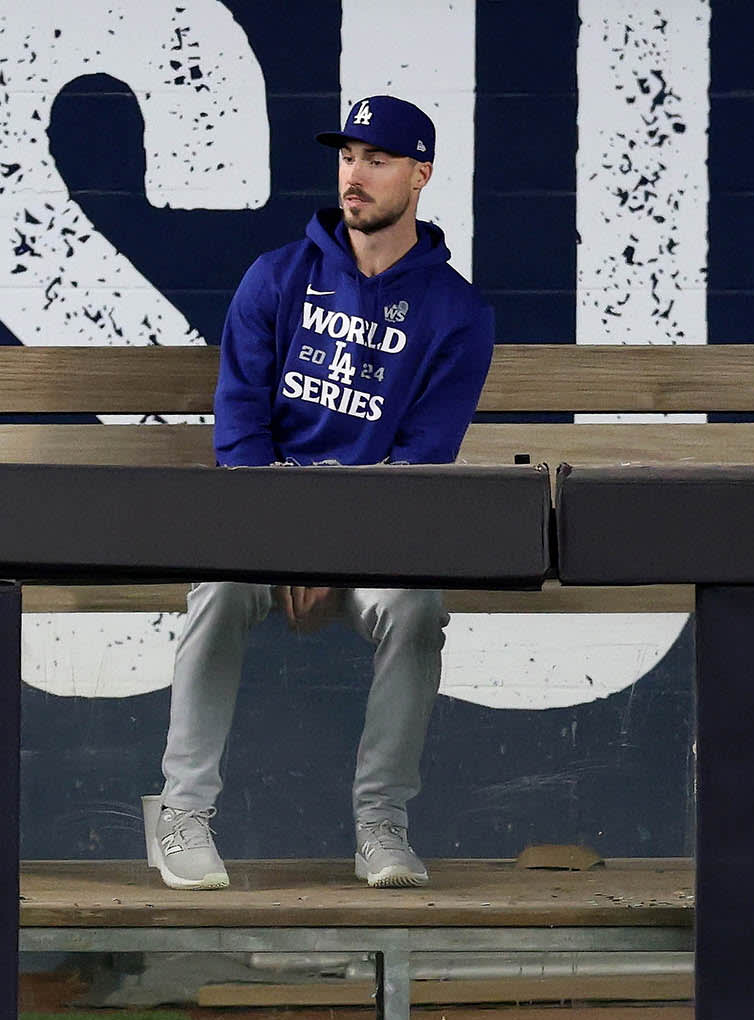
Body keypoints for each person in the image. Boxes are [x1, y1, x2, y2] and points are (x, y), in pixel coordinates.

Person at [146, 94, 494, 893]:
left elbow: (421, 462)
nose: (355, 175)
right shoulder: (277, 277)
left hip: (372, 541)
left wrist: (335, 552)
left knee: (416, 608)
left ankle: (382, 823)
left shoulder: (456, 312)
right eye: (347, 157)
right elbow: (238, 429)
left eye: (376, 160)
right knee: (219, 588)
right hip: (267, 528)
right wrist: (290, 545)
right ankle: (182, 812)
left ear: (421, 174)